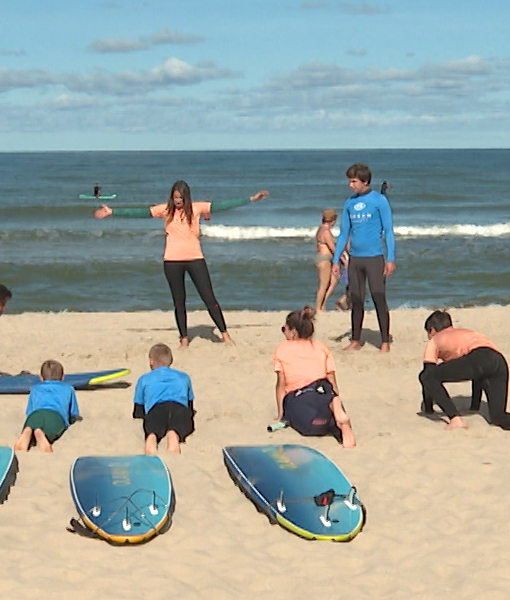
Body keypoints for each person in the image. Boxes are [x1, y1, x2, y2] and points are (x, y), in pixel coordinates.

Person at [94, 181, 270, 347]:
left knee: (209, 297)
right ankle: (184, 339)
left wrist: (251, 199)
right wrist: (113, 212)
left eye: (180, 197)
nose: (177, 200)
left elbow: (222, 205)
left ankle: (225, 334)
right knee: (179, 302)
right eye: (175, 197)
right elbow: (140, 212)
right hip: (172, 261)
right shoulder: (165, 210)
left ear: (186, 197)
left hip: (195, 259)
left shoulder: (196, 208)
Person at [419, 311, 510, 433]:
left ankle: (455, 419)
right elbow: (477, 373)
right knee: (497, 417)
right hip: (498, 360)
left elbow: (428, 374)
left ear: (432, 330)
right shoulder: (465, 333)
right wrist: (474, 407)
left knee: (425, 376)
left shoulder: (434, 340)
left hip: (478, 358)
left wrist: (428, 408)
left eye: (428, 333)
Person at [271, 307, 356, 448]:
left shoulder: (283, 349)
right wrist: (334, 397)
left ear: (292, 333)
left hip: (301, 397)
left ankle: (332, 416)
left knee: (308, 426)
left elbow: (281, 385)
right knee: (329, 416)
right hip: (324, 393)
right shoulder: (321, 347)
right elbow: (332, 382)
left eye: (283, 329)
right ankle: (337, 415)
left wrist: (281, 415)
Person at [334, 163, 395, 352]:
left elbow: (389, 231)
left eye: (353, 181)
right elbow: (344, 233)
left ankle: (384, 341)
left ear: (365, 181)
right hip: (355, 259)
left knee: (378, 297)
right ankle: (355, 340)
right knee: (356, 299)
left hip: (374, 258)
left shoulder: (379, 201)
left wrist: (390, 258)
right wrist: (336, 259)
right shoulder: (349, 203)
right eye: (349, 181)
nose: (350, 185)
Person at [133, 342, 195, 454]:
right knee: (180, 426)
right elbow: (189, 406)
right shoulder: (184, 377)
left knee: (152, 430)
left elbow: (138, 411)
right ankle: (173, 434)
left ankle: (152, 439)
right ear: (171, 361)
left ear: (151, 361)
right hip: (179, 408)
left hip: (157, 408)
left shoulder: (144, 379)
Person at [15, 360, 79, 453]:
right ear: (63, 377)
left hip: (35, 415)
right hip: (55, 416)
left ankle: (28, 430)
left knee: (31, 425)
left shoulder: (35, 388)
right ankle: (41, 435)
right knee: (50, 431)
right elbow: (73, 413)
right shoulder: (68, 389)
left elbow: (29, 412)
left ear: (41, 378)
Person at [313, 208, 340, 312]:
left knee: (333, 281)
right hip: (324, 259)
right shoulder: (326, 231)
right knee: (323, 284)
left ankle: (322, 304)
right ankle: (318, 307)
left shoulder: (320, 229)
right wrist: (343, 258)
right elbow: (332, 247)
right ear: (333, 220)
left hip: (324, 258)